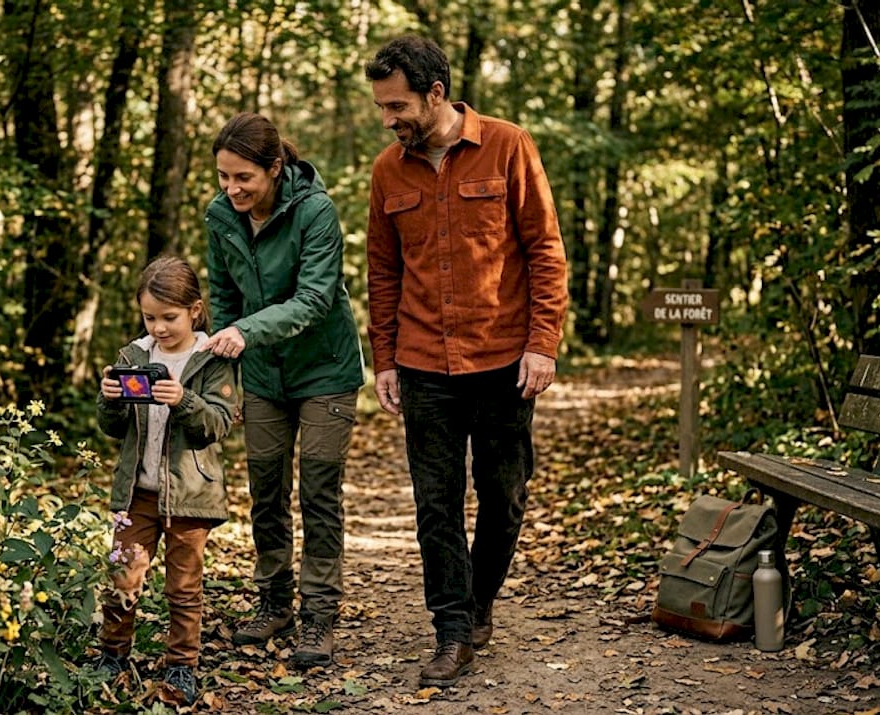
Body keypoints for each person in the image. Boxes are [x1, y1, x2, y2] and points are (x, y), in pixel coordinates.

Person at [363, 35, 569, 688]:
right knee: (435, 505)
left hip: (505, 360)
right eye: (380, 107)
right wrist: (386, 357)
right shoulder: (386, 172)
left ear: (436, 94)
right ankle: (452, 629)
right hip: (423, 364)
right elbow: (382, 270)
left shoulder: (509, 146)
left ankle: (480, 601)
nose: (388, 118)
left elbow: (545, 250)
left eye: (397, 105)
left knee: (505, 498)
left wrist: (543, 343)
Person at [202, 112, 365, 668]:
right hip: (263, 375)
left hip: (325, 369)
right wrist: (227, 378)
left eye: (243, 177)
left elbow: (316, 298)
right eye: (224, 177)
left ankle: (319, 614)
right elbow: (221, 296)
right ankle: (274, 602)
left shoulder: (315, 211)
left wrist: (241, 333)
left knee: (319, 488)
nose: (232, 188)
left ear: (275, 167)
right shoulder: (220, 215)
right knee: (266, 488)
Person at [94, 255, 239, 705]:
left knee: (184, 586)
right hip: (137, 492)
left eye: (169, 317)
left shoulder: (210, 357)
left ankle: (182, 667)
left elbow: (218, 424)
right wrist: (111, 399)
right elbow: (113, 429)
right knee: (123, 575)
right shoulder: (134, 355)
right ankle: (112, 657)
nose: (158, 327)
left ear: (195, 310)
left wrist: (185, 400)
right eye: (149, 317)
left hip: (190, 496)